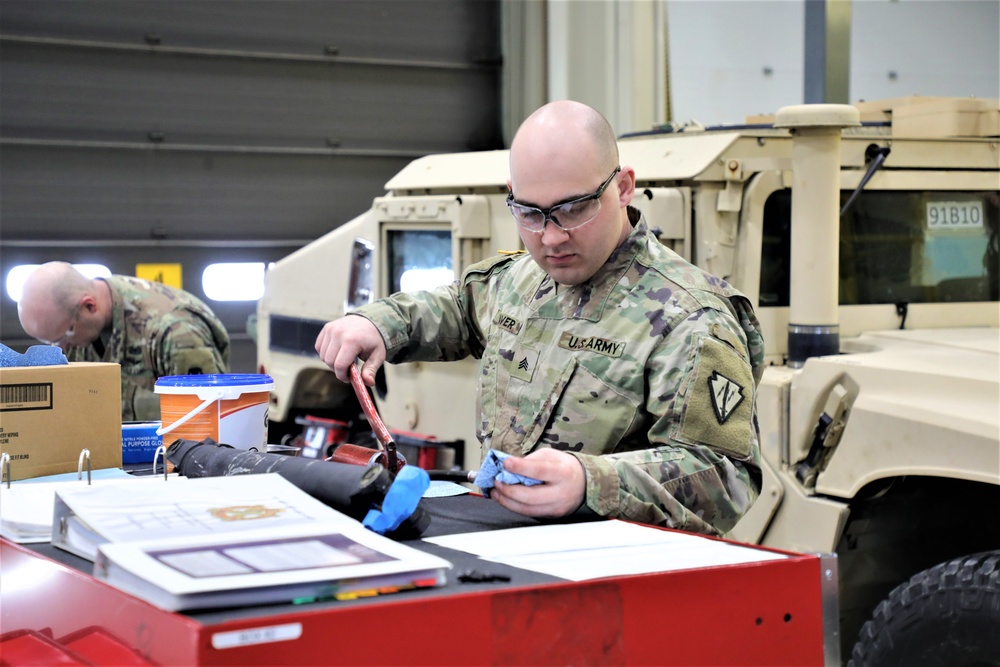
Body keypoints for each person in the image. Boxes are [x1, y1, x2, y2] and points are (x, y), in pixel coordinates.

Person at [315, 100, 764, 535]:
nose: (551, 237)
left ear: (623, 187)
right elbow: (457, 307)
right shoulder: (521, 281)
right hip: (507, 547)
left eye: (573, 209)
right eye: (530, 213)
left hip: (619, 575)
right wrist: (379, 323)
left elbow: (725, 476)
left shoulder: (690, 319)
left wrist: (592, 482)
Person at [17, 262, 230, 422]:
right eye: (49, 341)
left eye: (63, 337)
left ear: (89, 307)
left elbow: (211, 420)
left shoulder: (175, 334)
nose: (60, 349)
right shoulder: (73, 328)